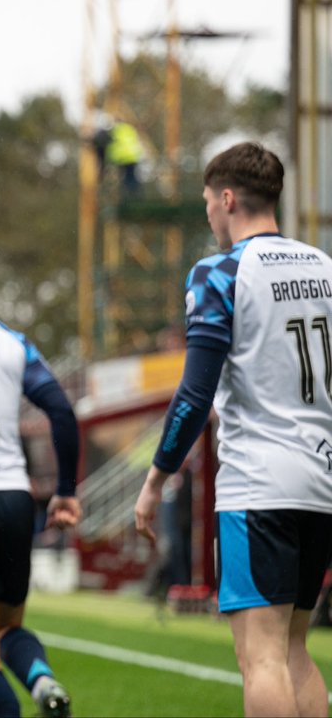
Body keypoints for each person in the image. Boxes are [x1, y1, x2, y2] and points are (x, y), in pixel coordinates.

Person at [134, 142, 332, 718]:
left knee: (261, 657)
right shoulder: (324, 267)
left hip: (258, 485)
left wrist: (154, 481)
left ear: (226, 199)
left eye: (206, 203)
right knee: (296, 649)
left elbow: (195, 394)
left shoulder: (220, 272)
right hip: (318, 481)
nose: (208, 215)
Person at [0, 313, 80, 718]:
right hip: (17, 499)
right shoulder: (11, 340)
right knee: (7, 628)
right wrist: (65, 492)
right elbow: (60, 410)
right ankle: (42, 680)